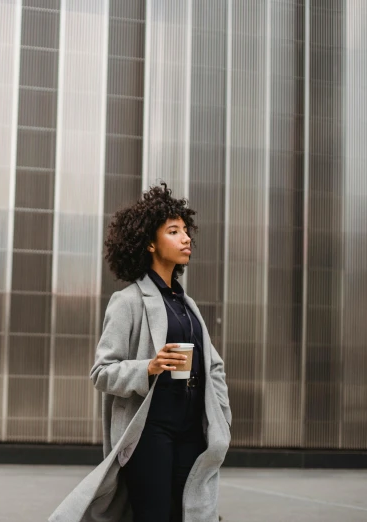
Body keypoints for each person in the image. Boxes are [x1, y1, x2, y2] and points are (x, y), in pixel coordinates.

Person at [49, 183, 231, 522]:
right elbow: (101, 372)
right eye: (174, 231)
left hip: (192, 431)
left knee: (190, 515)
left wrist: (222, 415)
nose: (186, 238)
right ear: (150, 243)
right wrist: (150, 366)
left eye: (186, 231)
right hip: (150, 433)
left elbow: (214, 366)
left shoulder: (186, 304)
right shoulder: (129, 301)